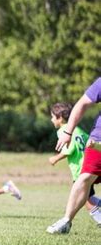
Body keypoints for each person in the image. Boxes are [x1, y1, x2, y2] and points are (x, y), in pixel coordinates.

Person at [47, 78, 101, 234]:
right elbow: (82, 103)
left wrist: (55, 158)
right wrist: (68, 132)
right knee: (84, 180)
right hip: (98, 140)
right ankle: (66, 221)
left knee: (87, 194)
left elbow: (69, 151)